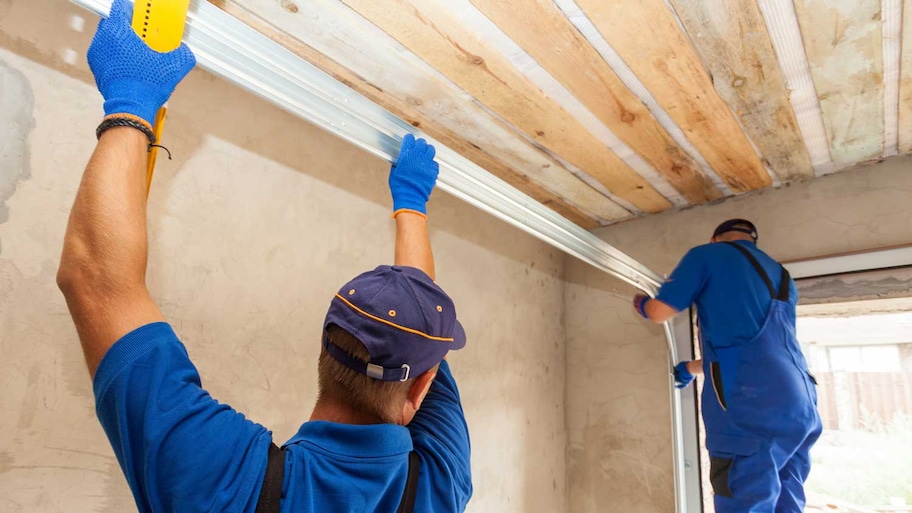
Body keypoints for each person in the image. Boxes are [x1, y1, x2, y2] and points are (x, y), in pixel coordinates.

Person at [56, 1, 472, 511]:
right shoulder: (440, 481)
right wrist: (411, 204)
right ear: (422, 387)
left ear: (323, 348)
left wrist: (129, 102)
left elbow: (100, 282)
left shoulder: (230, 484)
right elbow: (93, 279)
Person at [632, 219, 821, 512]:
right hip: (800, 404)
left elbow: (659, 313)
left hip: (751, 410)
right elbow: (752, 350)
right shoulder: (781, 275)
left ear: (714, 238)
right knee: (786, 501)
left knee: (742, 498)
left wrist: (643, 303)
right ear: (752, 242)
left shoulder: (706, 255)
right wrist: (689, 369)